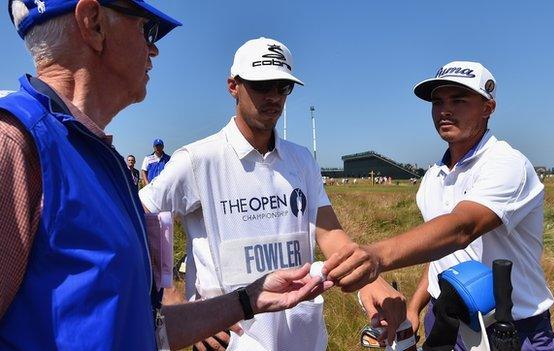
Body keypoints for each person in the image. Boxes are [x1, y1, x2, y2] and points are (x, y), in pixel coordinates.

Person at [0, 2, 333, 350]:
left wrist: (248, 299)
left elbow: (138, 325)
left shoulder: (97, 157)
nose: (154, 48)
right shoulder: (0, 141)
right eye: (146, 28)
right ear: (92, 23)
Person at [140, 37, 406, 351]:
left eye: (282, 87)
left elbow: (330, 233)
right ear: (233, 86)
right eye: (262, 86)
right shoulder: (198, 160)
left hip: (300, 337)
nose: (273, 97)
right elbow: (138, 222)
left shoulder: (301, 160)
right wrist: (173, 302)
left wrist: (369, 279)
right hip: (232, 340)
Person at [326, 61, 554, 350]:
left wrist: (377, 255)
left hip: (510, 329)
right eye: (438, 102)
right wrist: (415, 307)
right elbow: (443, 251)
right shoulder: (434, 176)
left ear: (488, 107)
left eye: (459, 100)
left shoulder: (506, 164)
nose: (445, 110)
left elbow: (463, 228)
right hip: (445, 320)